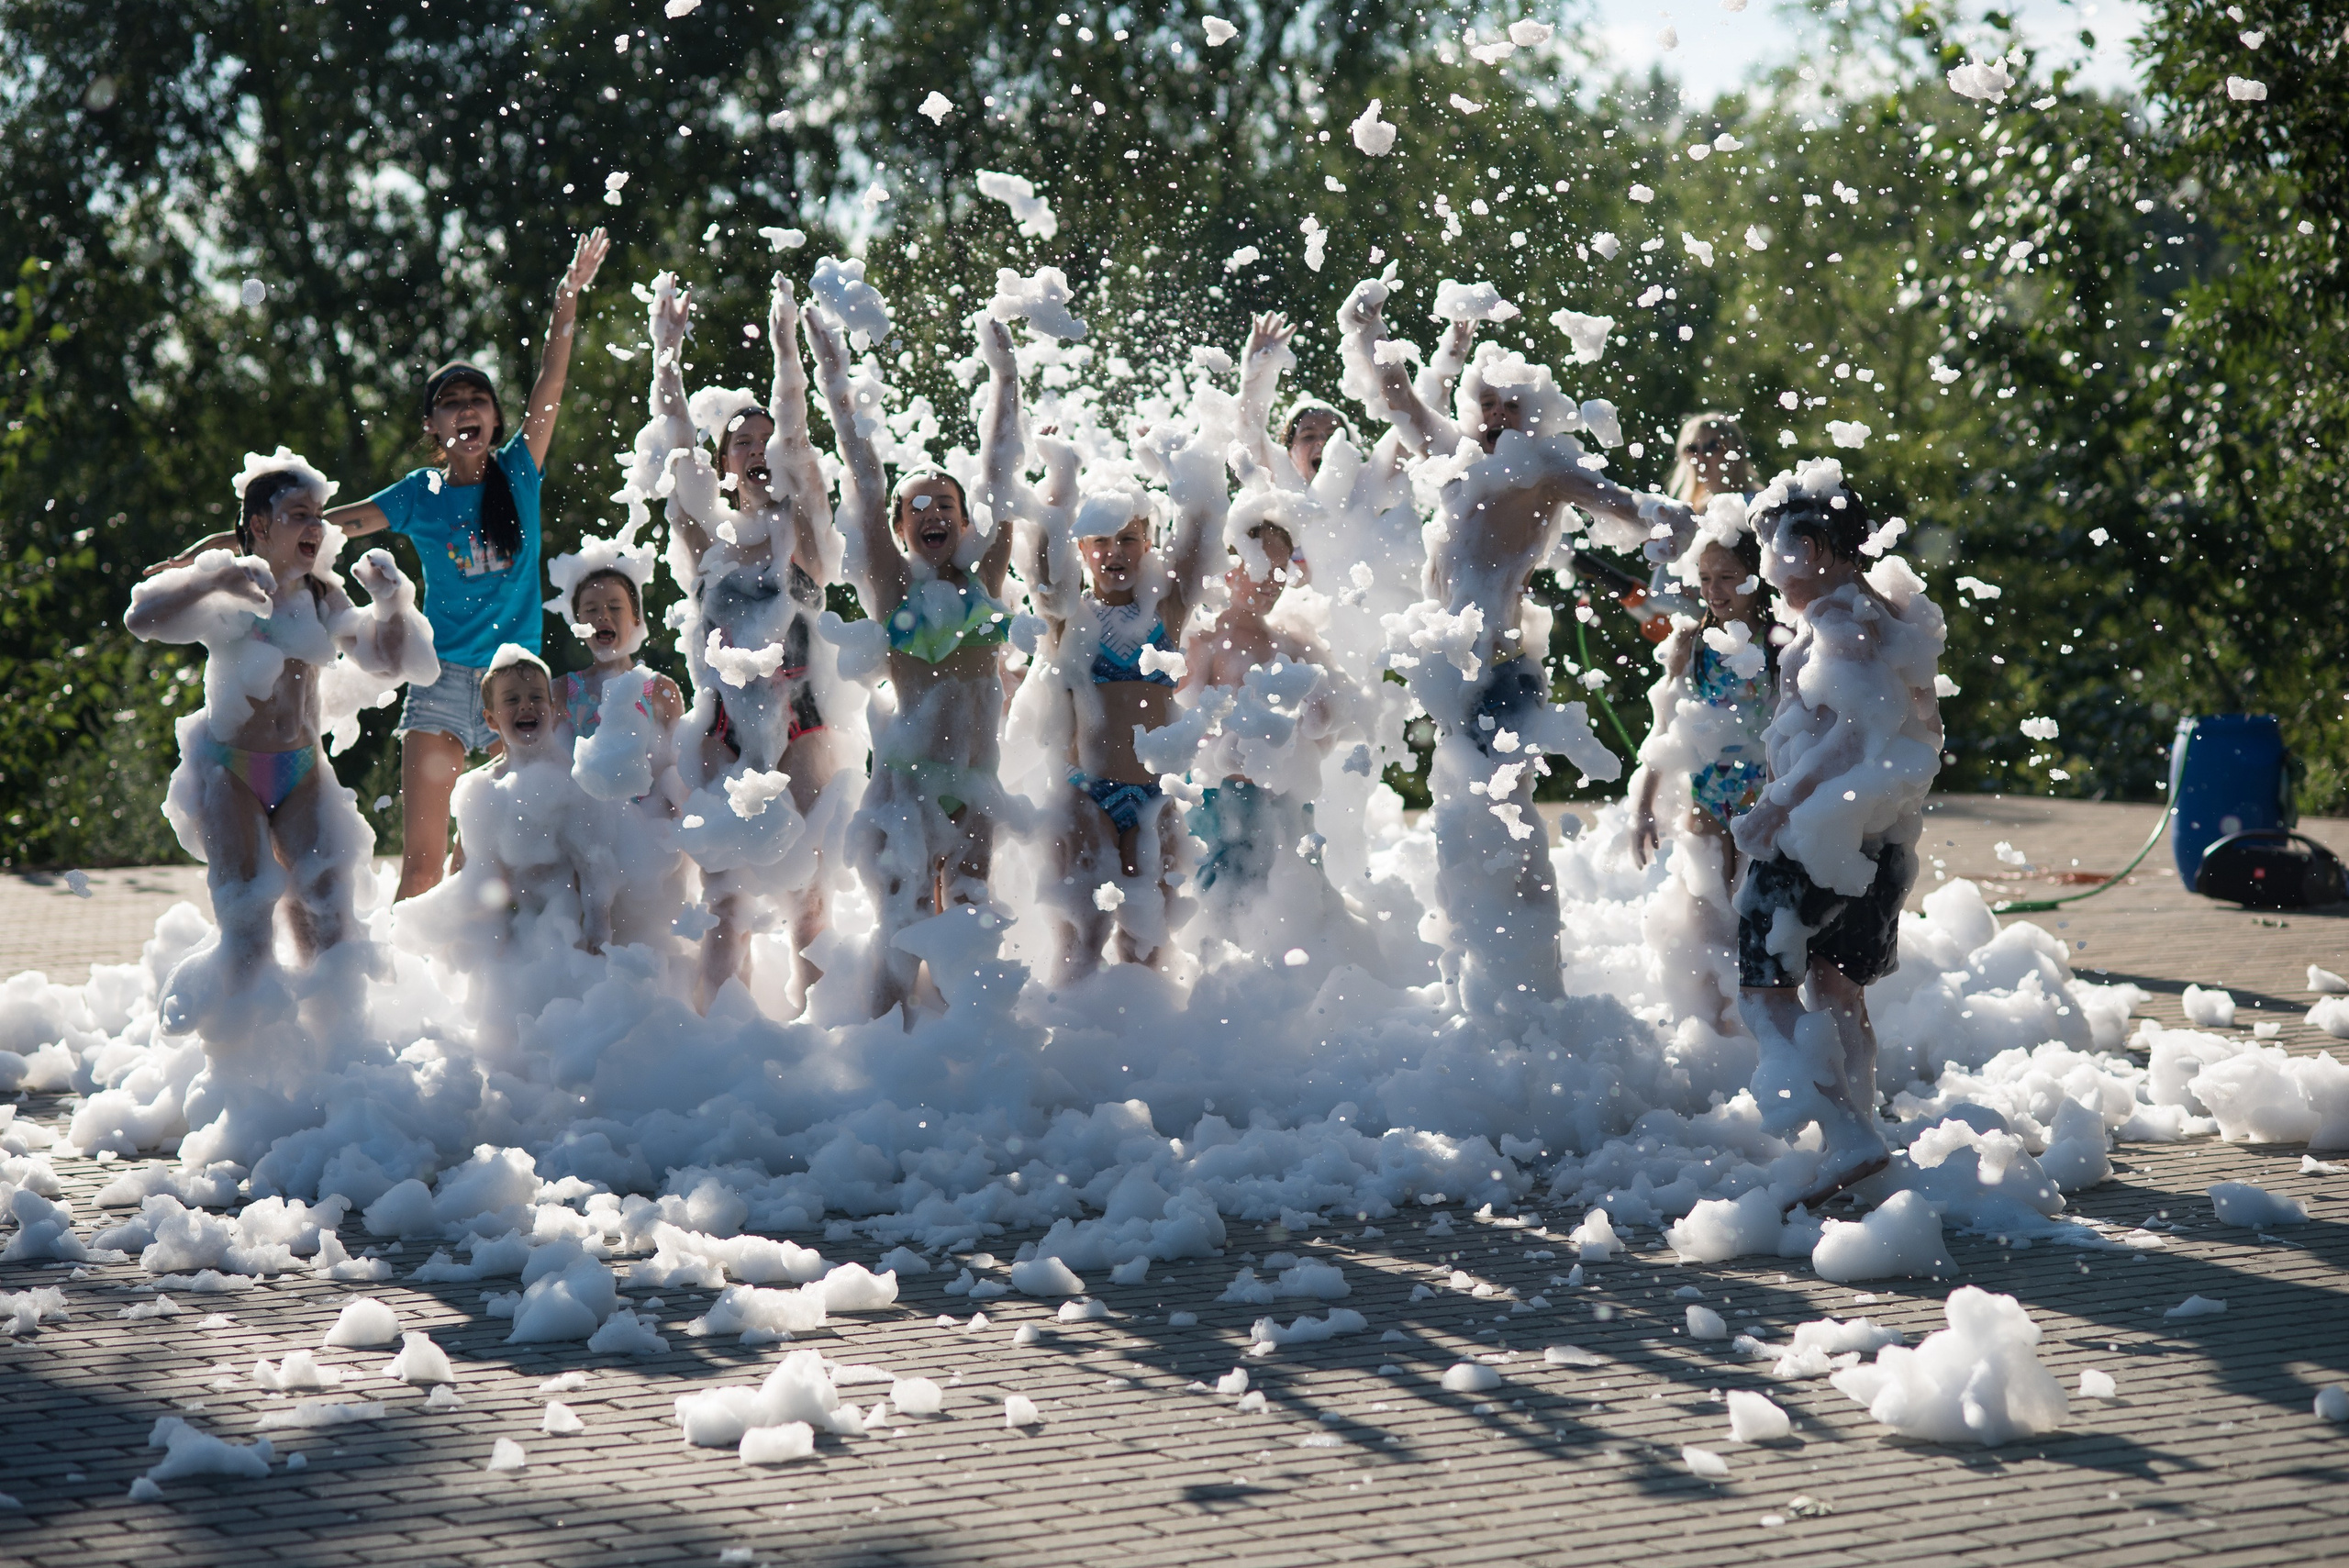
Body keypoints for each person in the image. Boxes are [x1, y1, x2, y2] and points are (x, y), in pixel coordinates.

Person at [1338, 274, 1671, 1013]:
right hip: (1452, 666)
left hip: (1498, 664)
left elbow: (1629, 506)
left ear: (1536, 412)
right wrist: (1364, 327)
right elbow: (1396, 399)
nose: (1495, 414)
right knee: (1461, 820)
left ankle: (1525, 983)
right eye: (1486, 402)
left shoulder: (1544, 467)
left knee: (1505, 819)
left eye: (1510, 404)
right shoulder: (1454, 453)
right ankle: (1479, 981)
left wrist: (1703, 544)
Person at [124, 450, 439, 1034]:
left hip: (302, 769)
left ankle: (335, 1052)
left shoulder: (321, 596)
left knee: (326, 914)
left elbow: (395, 664)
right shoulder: (229, 588)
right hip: (231, 771)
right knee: (246, 922)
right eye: (300, 514)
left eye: (318, 514)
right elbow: (141, 618)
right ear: (262, 526)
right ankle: (244, 1066)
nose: (316, 527)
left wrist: (393, 604)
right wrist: (211, 577)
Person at [339, 230, 609, 900]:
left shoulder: (519, 470)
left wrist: (566, 300)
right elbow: (339, 524)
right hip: (439, 684)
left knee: (489, 867)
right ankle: (405, 996)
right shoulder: (419, 494)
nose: (466, 410)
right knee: (423, 869)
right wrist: (252, 532)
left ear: (494, 419)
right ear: (432, 425)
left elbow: (552, 379)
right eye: (451, 403)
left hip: (515, 686)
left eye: (477, 400)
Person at [1730, 461, 1945, 1210]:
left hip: (1818, 835)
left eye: (1776, 548)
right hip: (1880, 842)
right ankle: (1865, 1133)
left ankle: (1849, 1134)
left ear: (1818, 550)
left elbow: (1855, 735)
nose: (1767, 568)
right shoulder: (1888, 614)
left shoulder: (1836, 626)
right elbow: (1925, 726)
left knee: (1761, 988)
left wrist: (1776, 805)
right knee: (1838, 988)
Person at [648, 272, 848, 1013]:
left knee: (809, 896)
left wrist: (788, 345)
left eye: (767, 443)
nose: (759, 450)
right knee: (724, 902)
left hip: (805, 717)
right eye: (743, 443)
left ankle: (820, 1031)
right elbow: (674, 455)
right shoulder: (710, 539)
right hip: (723, 728)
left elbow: (796, 427)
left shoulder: (806, 533)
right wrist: (665, 357)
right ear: (726, 463)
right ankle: (719, 1043)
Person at [812, 305, 1018, 1019]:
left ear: (964, 524)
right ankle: (880, 1063)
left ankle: (966, 1063)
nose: (933, 513)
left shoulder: (984, 580)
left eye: (947, 506)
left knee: (968, 916)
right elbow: (865, 485)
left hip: (977, 788)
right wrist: (835, 377)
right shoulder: (893, 587)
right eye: (918, 507)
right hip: (905, 790)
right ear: (904, 529)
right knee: (901, 933)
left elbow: (1002, 472)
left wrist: (1006, 375)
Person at [1628, 526, 1774, 1035]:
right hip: (1709, 795)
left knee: (1754, 918)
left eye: (1728, 577)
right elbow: (1664, 730)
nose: (1715, 590)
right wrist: (1643, 808)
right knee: (1708, 921)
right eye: (1706, 578)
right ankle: (1714, 1033)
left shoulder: (1779, 643)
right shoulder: (1691, 643)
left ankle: (1756, 1030)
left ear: (1757, 578)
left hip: (1766, 796)